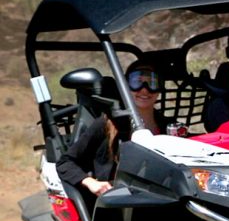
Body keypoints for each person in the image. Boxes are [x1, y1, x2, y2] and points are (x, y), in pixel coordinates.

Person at [56, 59, 164, 202]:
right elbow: (65, 163)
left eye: (152, 82)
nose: (144, 89)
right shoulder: (108, 124)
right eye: (136, 82)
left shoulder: (169, 126)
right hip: (120, 203)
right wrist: (91, 183)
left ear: (159, 89)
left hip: (162, 198)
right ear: (126, 87)